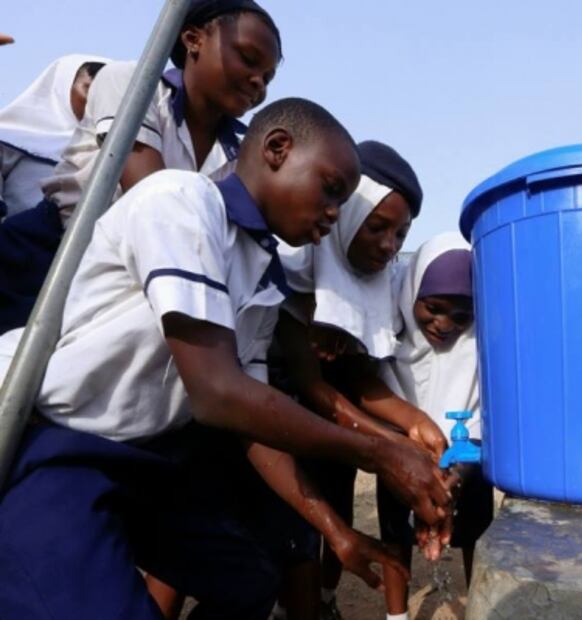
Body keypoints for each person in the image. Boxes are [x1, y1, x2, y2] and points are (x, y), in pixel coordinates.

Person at [0, 97, 450, 620]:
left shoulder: (262, 276)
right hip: (57, 439)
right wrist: (380, 454)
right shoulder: (181, 203)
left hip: (145, 459)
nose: (333, 212)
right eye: (330, 190)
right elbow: (217, 394)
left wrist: (337, 532)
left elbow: (252, 424)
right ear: (277, 149)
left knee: (249, 580)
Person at [0, 0, 281, 334]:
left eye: (268, 77)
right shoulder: (132, 83)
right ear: (193, 39)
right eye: (248, 60)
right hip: (45, 257)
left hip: (130, 291)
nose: (258, 83)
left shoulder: (240, 153)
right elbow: (152, 198)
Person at [273, 140, 449, 619]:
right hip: (282, 431)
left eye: (400, 234)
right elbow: (315, 388)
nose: (389, 246)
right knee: (300, 538)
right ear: (346, 215)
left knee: (339, 516)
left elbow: (359, 379)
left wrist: (413, 423)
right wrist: (394, 446)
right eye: (378, 227)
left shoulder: (375, 286)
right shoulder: (296, 273)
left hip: (337, 435)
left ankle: (324, 604)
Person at [377, 232, 494, 620]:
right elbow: (377, 401)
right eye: (433, 308)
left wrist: (455, 475)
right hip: (398, 455)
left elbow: (483, 413)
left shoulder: (479, 347)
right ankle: (395, 617)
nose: (444, 325)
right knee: (395, 539)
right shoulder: (388, 340)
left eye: (461, 317)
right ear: (411, 294)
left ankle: (479, 609)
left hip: (467, 462)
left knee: (476, 535)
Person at [0, 55, 107, 219]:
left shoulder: (114, 151)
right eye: (89, 89)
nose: (97, 101)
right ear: (62, 88)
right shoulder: (11, 136)